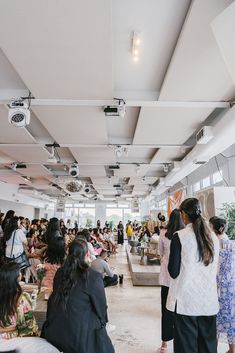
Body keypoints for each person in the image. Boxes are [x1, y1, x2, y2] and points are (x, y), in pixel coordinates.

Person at [41, 239, 114, 353]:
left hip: (55, 330)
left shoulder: (60, 272)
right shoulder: (93, 276)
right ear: (87, 255)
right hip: (79, 338)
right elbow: (101, 309)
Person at [167, 198, 219, 353]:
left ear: (183, 214)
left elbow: (173, 271)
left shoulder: (180, 236)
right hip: (208, 301)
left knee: (186, 347)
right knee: (208, 346)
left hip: (186, 301)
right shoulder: (213, 237)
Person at [157, 209, 184, 353]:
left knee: (166, 309)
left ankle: (164, 344)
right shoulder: (185, 234)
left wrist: (165, 258)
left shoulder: (164, 233)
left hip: (166, 277)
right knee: (180, 310)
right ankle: (180, 342)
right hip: (181, 277)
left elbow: (160, 252)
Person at [210, 217, 235, 353]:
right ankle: (232, 349)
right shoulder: (230, 242)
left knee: (214, 318)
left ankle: (212, 347)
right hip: (230, 285)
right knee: (231, 317)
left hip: (216, 285)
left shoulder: (214, 242)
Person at [0, 262, 38, 339]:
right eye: (20, 272)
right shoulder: (22, 298)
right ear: (16, 277)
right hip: (15, 340)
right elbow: (28, 326)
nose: (21, 274)